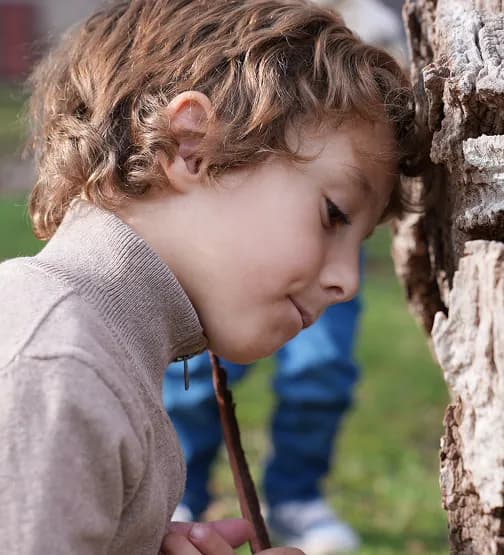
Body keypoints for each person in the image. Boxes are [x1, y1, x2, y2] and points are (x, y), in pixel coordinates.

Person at [0, 1, 416, 554]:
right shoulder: (58, 369)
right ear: (191, 147)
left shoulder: (96, 352)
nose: (348, 282)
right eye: (333, 215)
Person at [164, 1, 405, 553]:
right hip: (255, 235)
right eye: (335, 215)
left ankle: (296, 496)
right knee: (195, 380)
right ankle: (182, 494)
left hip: (311, 229)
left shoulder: (375, 17)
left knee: (321, 369)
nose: (348, 279)